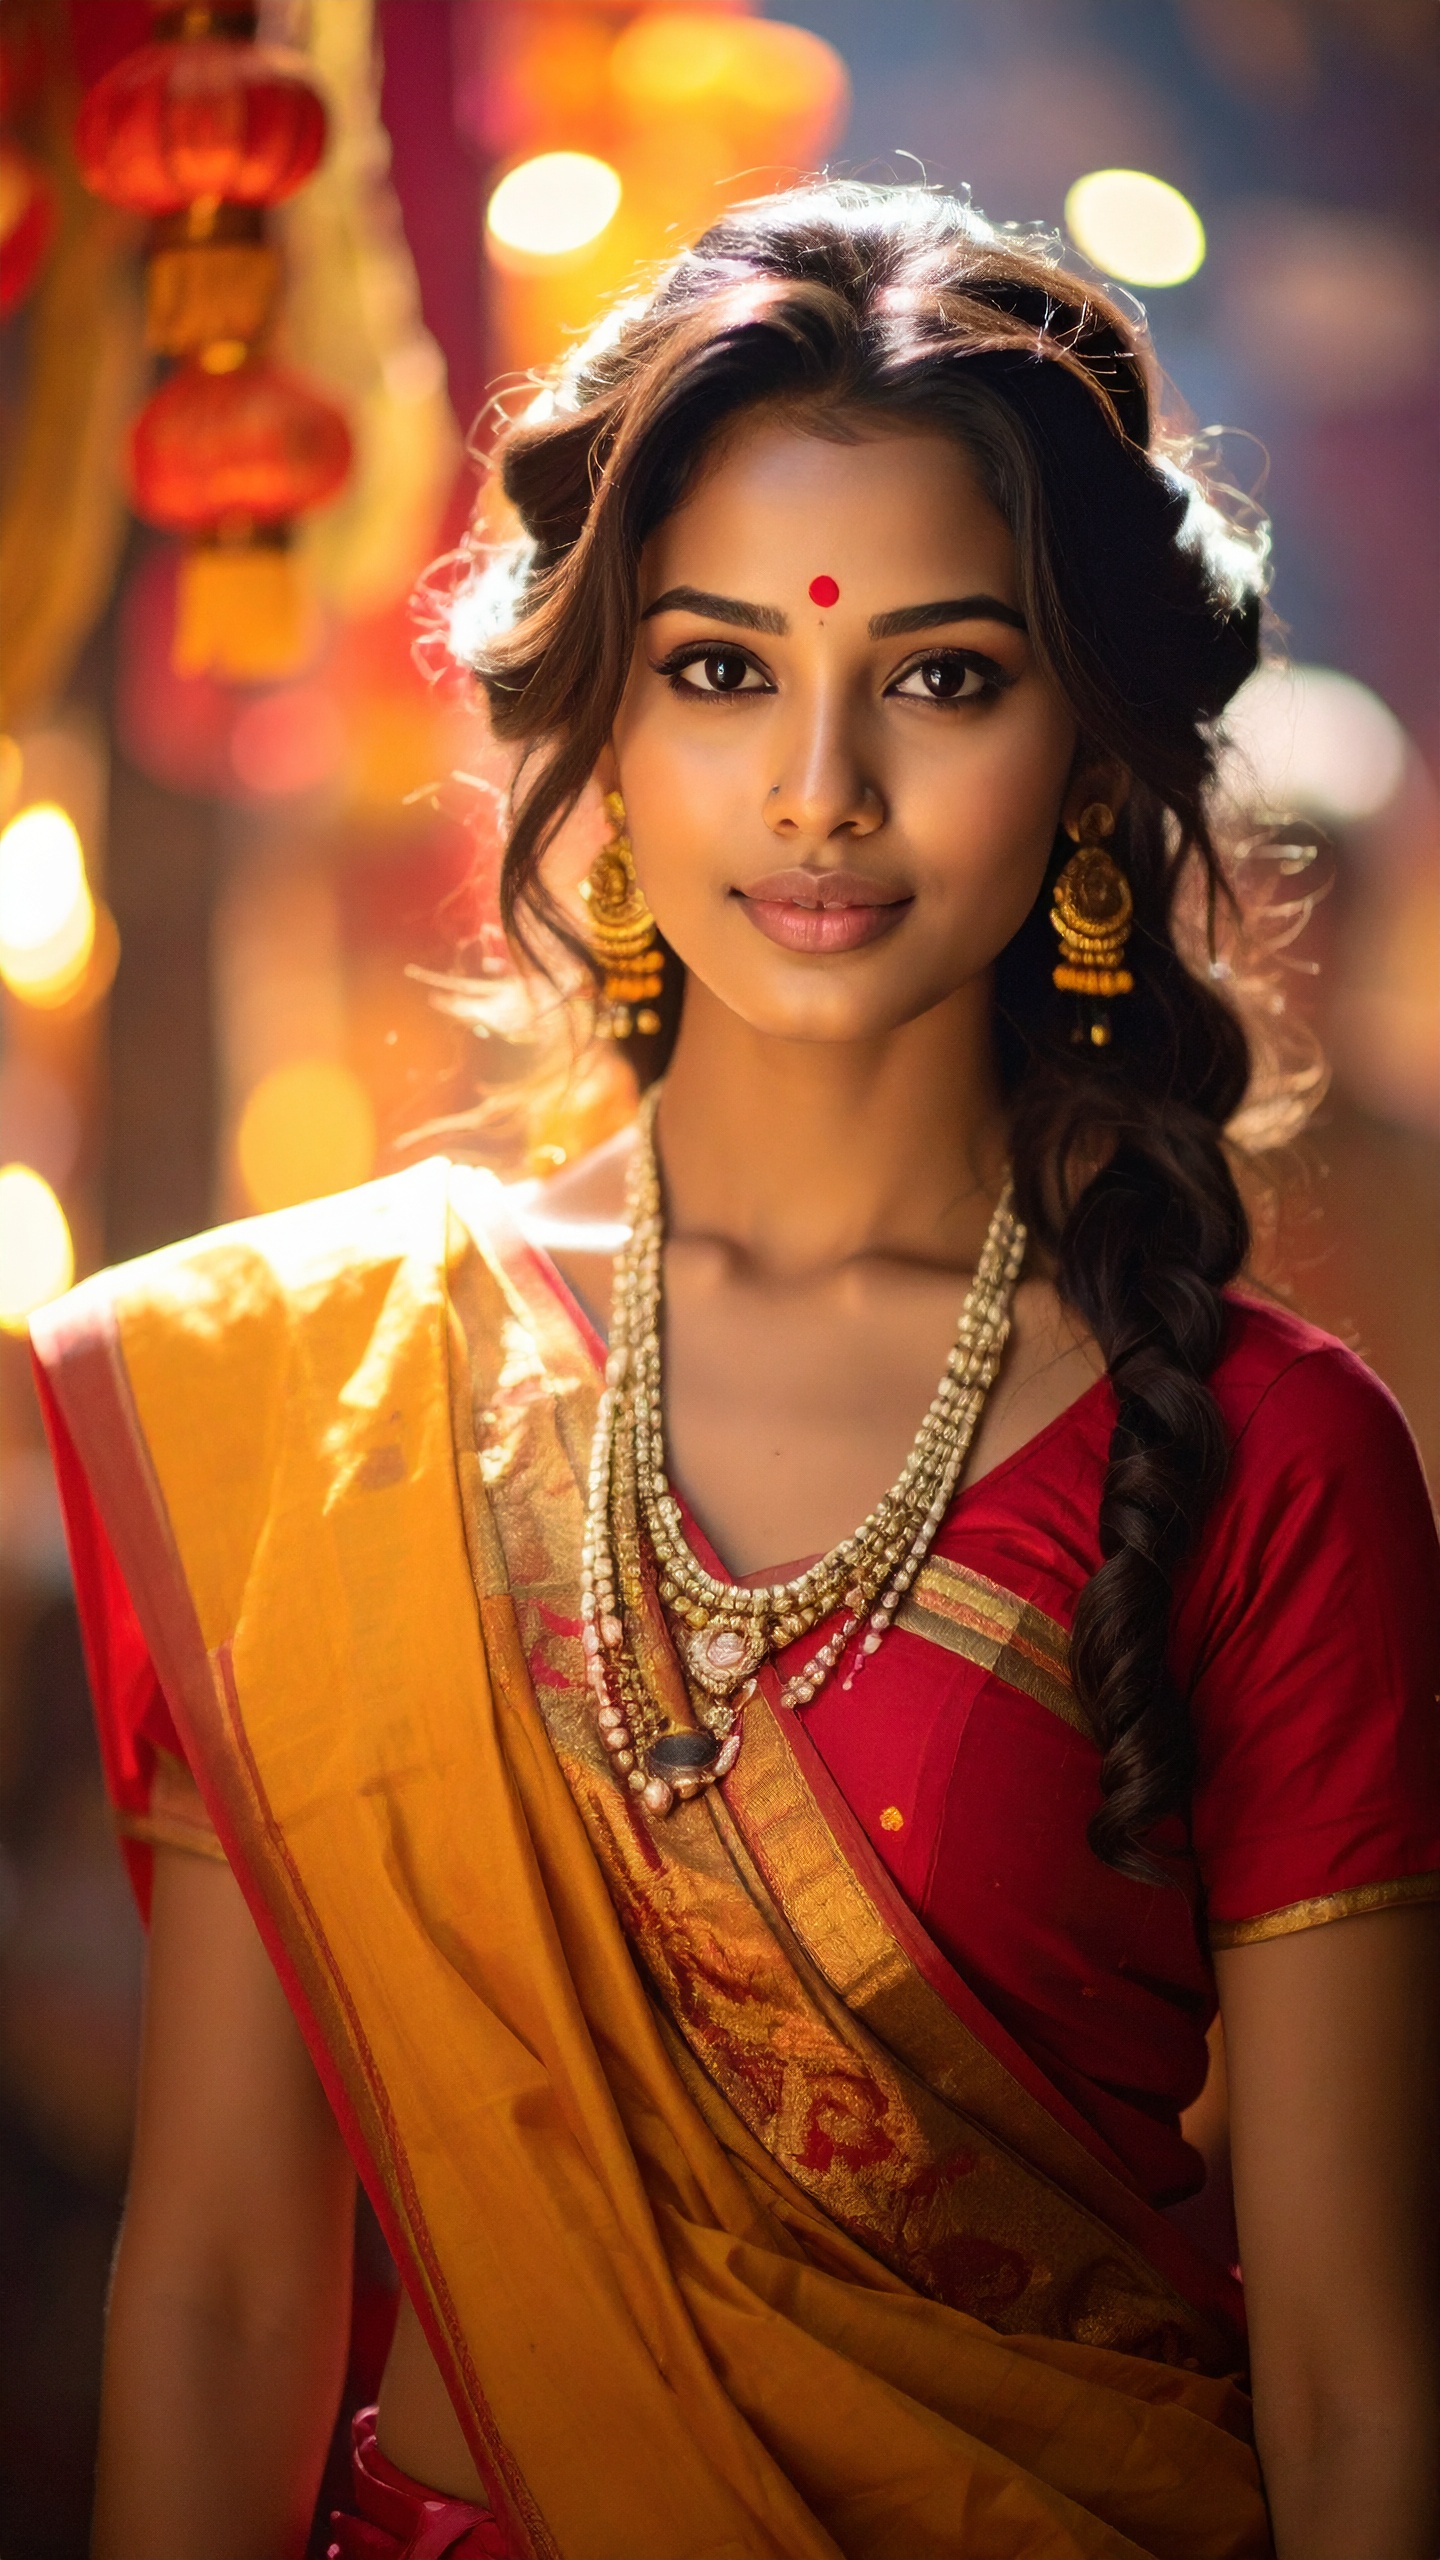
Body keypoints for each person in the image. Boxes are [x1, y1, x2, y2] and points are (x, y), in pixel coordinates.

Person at [32, 184, 1440, 2560]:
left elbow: (1355, 2374)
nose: (818, 790)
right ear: (596, 725)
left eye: (943, 674)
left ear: (1095, 757)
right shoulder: (312, 1395)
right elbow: (224, 2287)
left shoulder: (1264, 1461)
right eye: (717, 670)